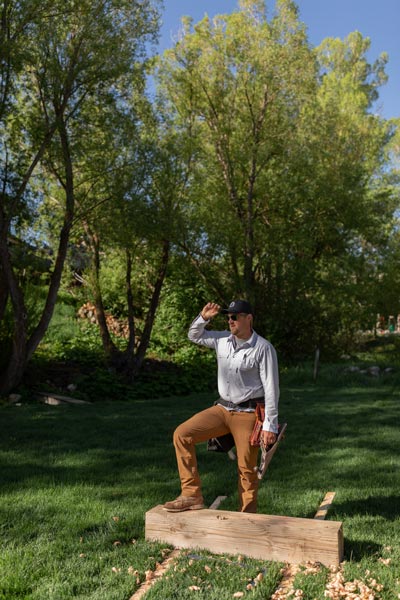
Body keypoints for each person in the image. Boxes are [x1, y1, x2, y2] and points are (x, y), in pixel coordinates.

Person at [163, 299, 279, 514]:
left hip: (248, 414)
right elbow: (194, 335)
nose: (230, 321)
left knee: (247, 469)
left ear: (249, 318)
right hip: (221, 410)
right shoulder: (222, 340)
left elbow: (271, 389)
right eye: (228, 317)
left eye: (234, 317)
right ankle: (191, 495)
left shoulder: (263, 348)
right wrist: (204, 318)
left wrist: (270, 426)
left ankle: (248, 516)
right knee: (182, 434)